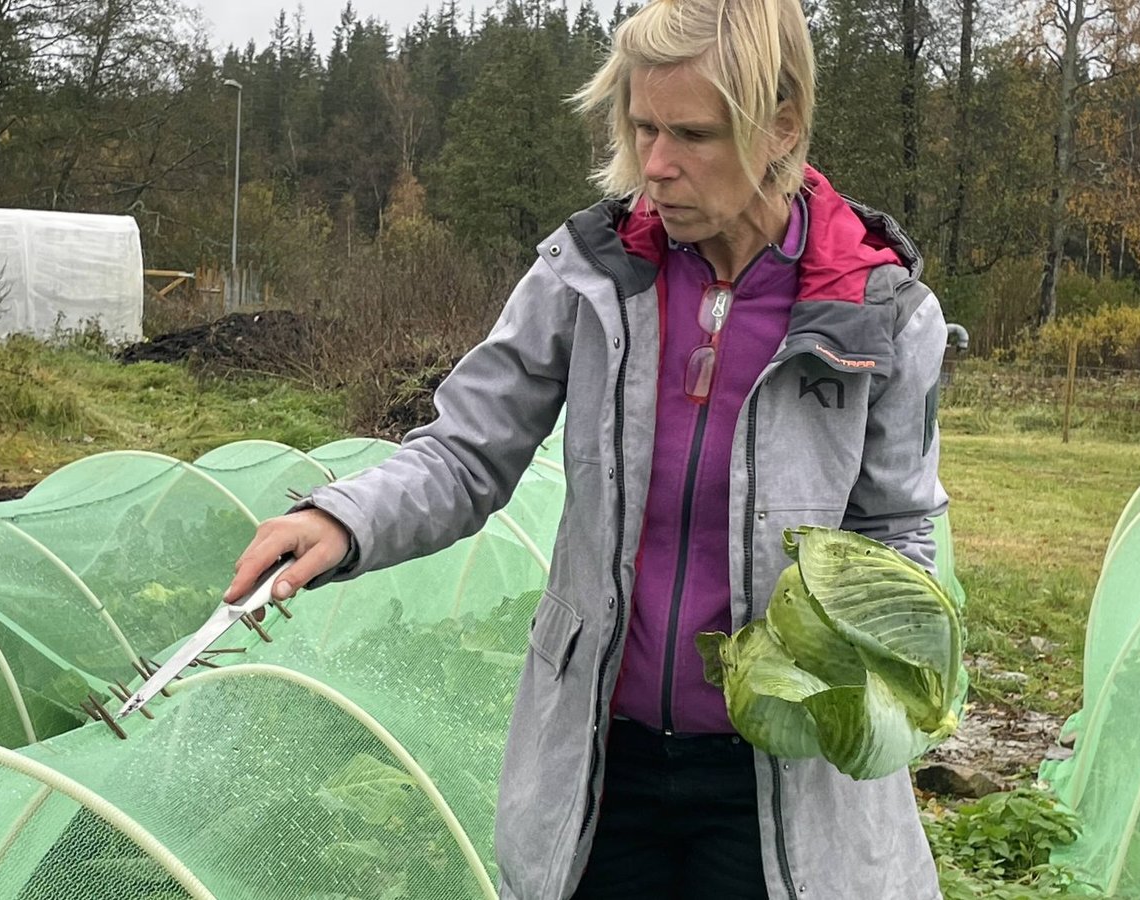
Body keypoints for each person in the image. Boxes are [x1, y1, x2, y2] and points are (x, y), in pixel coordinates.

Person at [225, 0, 949, 896]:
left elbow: (897, 532)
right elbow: (467, 449)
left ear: (782, 127)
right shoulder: (589, 273)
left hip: (782, 789)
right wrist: (343, 519)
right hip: (605, 769)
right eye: (643, 126)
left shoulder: (876, 311)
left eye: (693, 134)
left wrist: (851, 672)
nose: (657, 164)